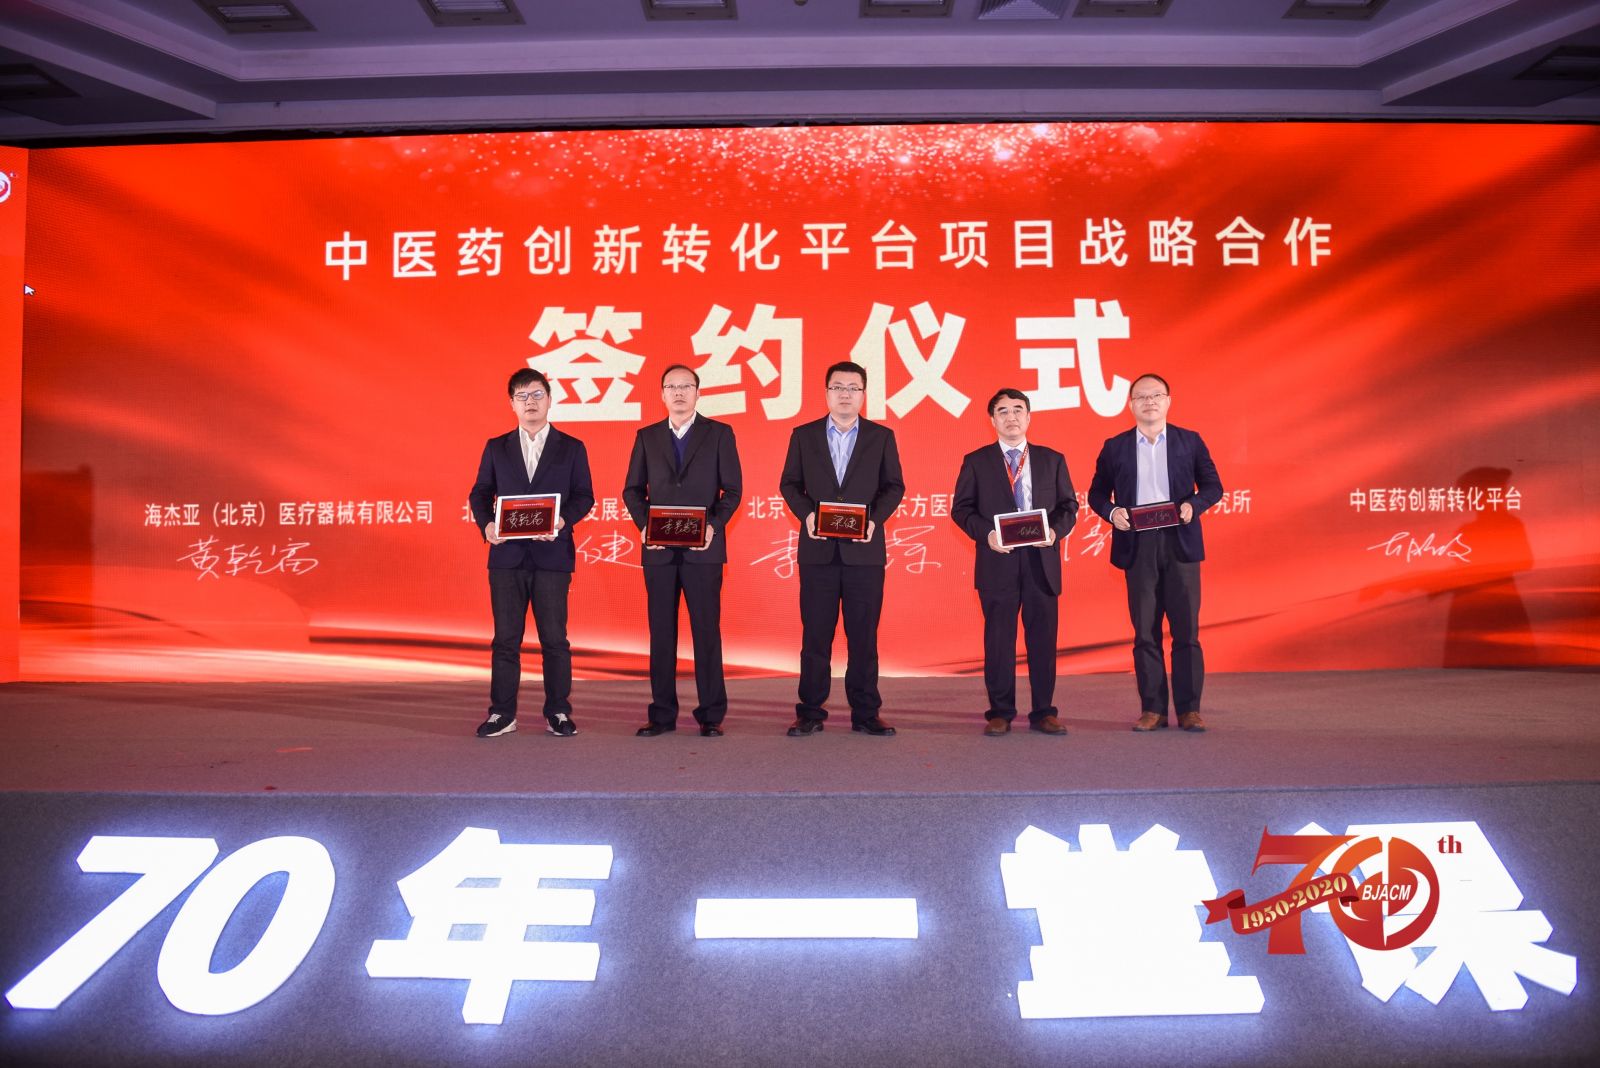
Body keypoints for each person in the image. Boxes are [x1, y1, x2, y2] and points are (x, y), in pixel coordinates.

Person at [1087, 373, 1223, 733]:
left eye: (1156, 395)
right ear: (1131, 404)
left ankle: (1189, 710)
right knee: (1145, 632)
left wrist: (1194, 505)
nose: (1149, 402)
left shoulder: (1189, 441)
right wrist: (1112, 512)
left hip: (1180, 542)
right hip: (1138, 545)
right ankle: (1153, 709)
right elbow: (1096, 494)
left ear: (1168, 401)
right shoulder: (1115, 446)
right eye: (1141, 397)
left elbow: (1213, 486)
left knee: (1186, 631)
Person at [779, 360, 905, 737]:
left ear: (863, 394)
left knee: (863, 636)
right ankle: (810, 712)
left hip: (864, 553)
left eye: (853, 388)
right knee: (815, 636)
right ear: (826, 392)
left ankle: (866, 713)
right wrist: (808, 515)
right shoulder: (804, 435)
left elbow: (894, 486)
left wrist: (873, 520)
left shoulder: (881, 437)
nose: (845, 394)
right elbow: (789, 484)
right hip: (818, 552)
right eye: (838, 387)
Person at [469, 368, 595, 738]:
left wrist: (561, 520)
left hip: (552, 556)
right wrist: (487, 525)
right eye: (522, 396)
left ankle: (558, 711)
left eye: (537, 394)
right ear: (512, 404)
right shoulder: (497, 447)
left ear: (550, 399)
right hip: (507, 558)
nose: (530, 402)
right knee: (506, 639)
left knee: (554, 640)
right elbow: (480, 493)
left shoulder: (571, 447)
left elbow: (584, 496)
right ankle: (502, 713)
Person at [621, 364, 743, 737]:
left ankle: (711, 715)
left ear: (698, 392)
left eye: (686, 386)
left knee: (706, 632)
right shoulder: (646, 437)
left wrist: (712, 526)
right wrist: (645, 526)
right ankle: (661, 715)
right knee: (661, 633)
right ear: (661, 394)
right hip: (659, 551)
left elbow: (732, 491)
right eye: (671, 386)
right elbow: (632, 490)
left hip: (703, 551)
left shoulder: (719, 434)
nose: (678, 392)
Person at [951, 388, 1078, 736]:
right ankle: (1000, 711)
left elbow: (1069, 507)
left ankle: (1044, 712)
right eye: (1003, 411)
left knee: (1043, 641)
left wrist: (1054, 531)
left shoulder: (1052, 459)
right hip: (998, 563)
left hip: (1041, 564)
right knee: (998, 641)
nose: (1011, 417)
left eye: (1018, 409)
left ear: (1029, 416)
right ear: (992, 420)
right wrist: (987, 535)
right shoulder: (976, 461)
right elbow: (961, 510)